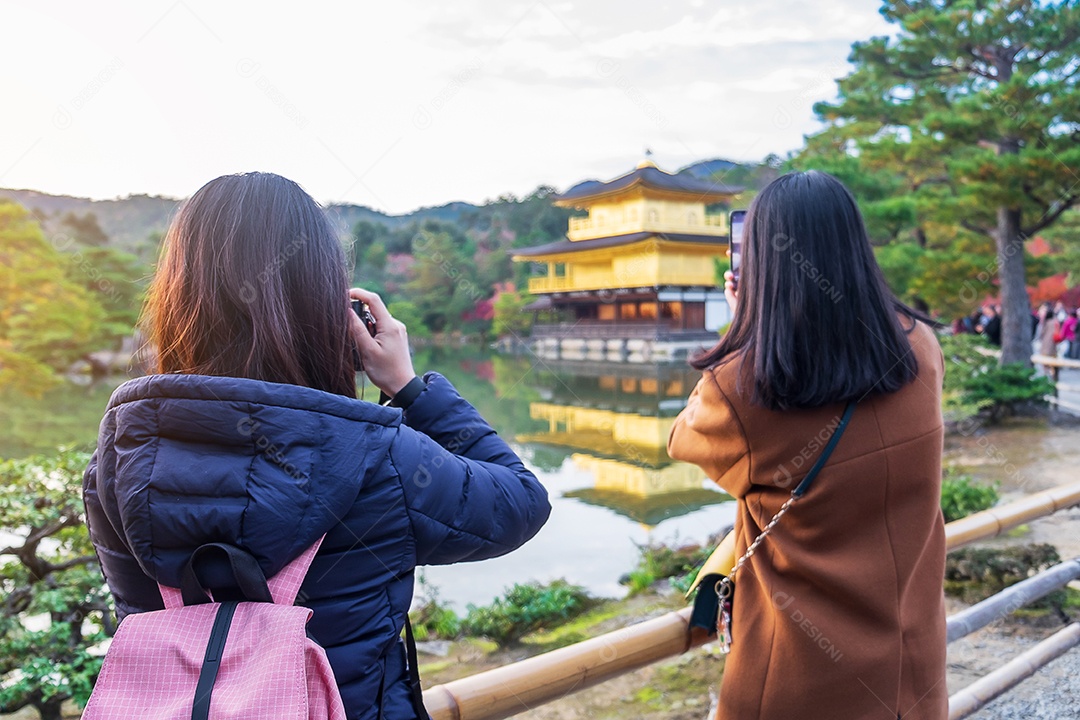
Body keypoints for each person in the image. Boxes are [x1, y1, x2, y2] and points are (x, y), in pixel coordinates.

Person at [81, 172, 551, 719]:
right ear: (328, 306)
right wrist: (410, 388)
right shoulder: (381, 458)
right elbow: (519, 502)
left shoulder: (118, 460)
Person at [668, 171, 947, 720]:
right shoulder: (920, 347)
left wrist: (742, 330)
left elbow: (684, 440)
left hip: (799, 678)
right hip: (911, 663)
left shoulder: (745, 387)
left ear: (762, 266)